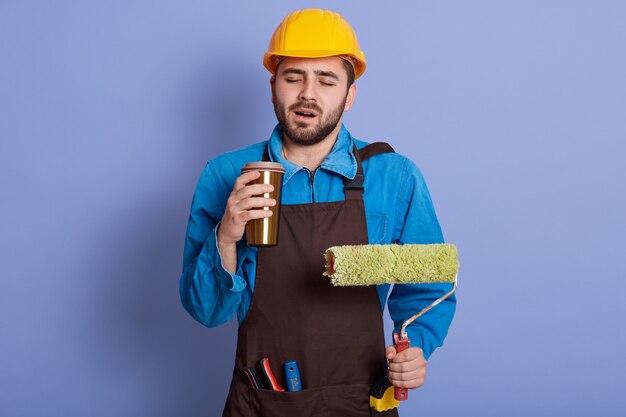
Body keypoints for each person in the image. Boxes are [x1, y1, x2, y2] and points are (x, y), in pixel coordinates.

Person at [179, 8, 456, 417]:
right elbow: (206, 311)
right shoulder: (225, 175)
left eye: (326, 80)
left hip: (361, 401)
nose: (308, 93)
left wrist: (413, 347)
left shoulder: (394, 176)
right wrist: (227, 235)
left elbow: (429, 285)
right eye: (294, 77)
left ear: (350, 94)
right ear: (273, 86)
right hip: (262, 400)